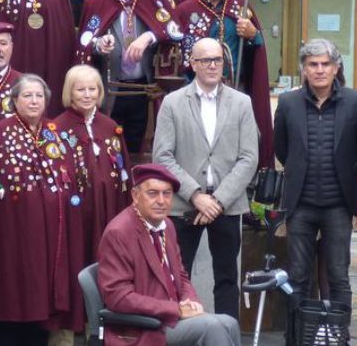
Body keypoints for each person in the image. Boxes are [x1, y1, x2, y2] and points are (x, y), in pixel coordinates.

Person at [0, 75, 83, 344]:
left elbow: (64, 179)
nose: (34, 101)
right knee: (14, 293)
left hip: (49, 231)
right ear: (15, 101)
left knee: (40, 303)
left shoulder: (52, 132)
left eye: (39, 96)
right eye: (27, 96)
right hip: (13, 230)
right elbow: (10, 188)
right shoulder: (3, 131)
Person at [153, 38, 259, 318]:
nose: (212, 65)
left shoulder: (242, 103)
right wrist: (196, 196)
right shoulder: (172, 103)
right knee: (177, 277)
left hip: (228, 204)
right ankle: (179, 334)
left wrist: (219, 200)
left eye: (217, 60)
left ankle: (226, 335)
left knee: (227, 279)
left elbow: (249, 157)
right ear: (193, 64)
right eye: (205, 60)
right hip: (184, 204)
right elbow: (162, 156)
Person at [273, 39, 357, 321]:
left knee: (339, 277)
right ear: (303, 69)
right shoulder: (289, 102)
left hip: (338, 205)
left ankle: (339, 337)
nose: (319, 70)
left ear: (336, 67)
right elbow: (282, 148)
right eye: (312, 64)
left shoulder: (355, 101)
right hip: (300, 205)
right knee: (298, 277)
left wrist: (346, 170)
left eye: (325, 64)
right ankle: (296, 337)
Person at [96, 163, 244, 346]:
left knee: (229, 323)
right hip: (143, 328)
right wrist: (175, 310)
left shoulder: (167, 225)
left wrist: (191, 302)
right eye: (153, 193)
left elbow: (180, 276)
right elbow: (118, 298)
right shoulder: (119, 232)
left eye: (166, 194)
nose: (161, 200)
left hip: (170, 319)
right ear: (135, 195)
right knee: (212, 327)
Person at [168, 0, 275, 179]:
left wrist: (253, 34)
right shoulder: (185, 11)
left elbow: (258, 50)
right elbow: (175, 55)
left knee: (236, 147)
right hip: (197, 94)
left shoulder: (241, 7)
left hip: (235, 92)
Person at [75, 0, 173, 159]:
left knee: (138, 148)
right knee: (108, 148)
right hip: (109, 90)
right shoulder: (97, 1)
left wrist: (149, 36)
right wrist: (99, 44)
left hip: (144, 90)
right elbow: (84, 43)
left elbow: (174, 30)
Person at [52, 64, 130, 261]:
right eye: (80, 90)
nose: (87, 95)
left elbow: (124, 172)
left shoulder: (110, 126)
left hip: (109, 208)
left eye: (92, 89)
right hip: (76, 214)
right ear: (70, 92)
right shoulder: (57, 129)